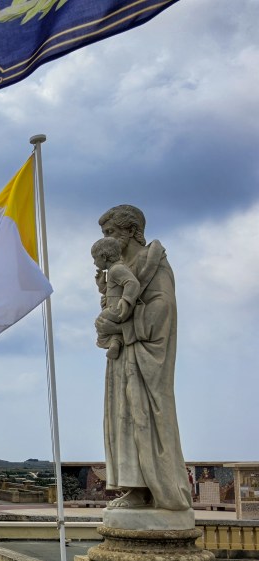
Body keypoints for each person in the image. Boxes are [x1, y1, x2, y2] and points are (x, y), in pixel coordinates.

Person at [95, 205, 192, 511]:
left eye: (111, 233)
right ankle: (135, 488)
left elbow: (162, 311)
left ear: (133, 231)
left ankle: (156, 489)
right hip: (124, 357)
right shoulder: (120, 269)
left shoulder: (154, 265)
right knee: (123, 420)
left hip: (145, 357)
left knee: (142, 419)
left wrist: (122, 324)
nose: (109, 240)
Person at [92, 236, 141, 360]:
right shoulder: (114, 271)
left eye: (95, 258)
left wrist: (126, 300)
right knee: (104, 324)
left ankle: (115, 342)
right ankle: (115, 342)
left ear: (104, 257)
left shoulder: (116, 269)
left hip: (117, 309)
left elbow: (132, 283)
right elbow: (110, 291)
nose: (94, 263)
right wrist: (101, 285)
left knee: (99, 323)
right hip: (116, 308)